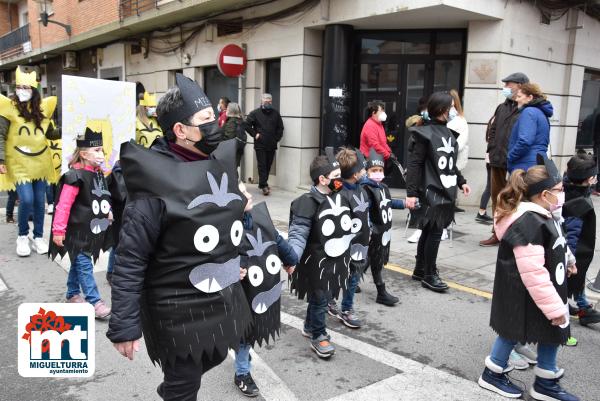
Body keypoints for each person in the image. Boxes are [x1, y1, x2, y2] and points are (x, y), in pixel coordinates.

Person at [107, 74, 252, 401]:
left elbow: (217, 227)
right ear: (180, 131)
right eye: (205, 120)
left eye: (215, 116)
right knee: (185, 382)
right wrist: (124, 326)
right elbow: (131, 257)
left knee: (215, 352)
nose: (215, 124)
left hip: (216, 295)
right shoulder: (153, 181)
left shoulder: (215, 164)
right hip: (174, 304)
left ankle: (173, 388)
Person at [477, 155, 580, 401]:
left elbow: (557, 243)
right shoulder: (529, 223)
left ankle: (545, 380)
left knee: (549, 331)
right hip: (527, 293)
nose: (562, 194)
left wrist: (569, 261)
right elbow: (533, 271)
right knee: (513, 331)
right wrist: (554, 307)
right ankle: (492, 374)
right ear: (544, 194)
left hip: (544, 290)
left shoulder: (545, 215)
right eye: (559, 190)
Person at [288, 150, 353, 358]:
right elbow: (297, 233)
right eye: (335, 177)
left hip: (335, 260)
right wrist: (292, 257)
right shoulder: (306, 202)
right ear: (322, 179)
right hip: (316, 263)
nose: (339, 181)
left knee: (321, 297)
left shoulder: (339, 197)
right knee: (321, 299)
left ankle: (309, 325)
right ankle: (318, 335)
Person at [234, 182, 297, 397]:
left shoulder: (260, 217)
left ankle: (241, 354)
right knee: (245, 332)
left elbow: (278, 239)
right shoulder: (225, 228)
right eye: (242, 192)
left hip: (261, 287)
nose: (248, 194)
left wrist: (290, 259)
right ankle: (242, 373)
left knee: (249, 331)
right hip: (239, 292)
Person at [406, 92, 471, 292]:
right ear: (443, 110)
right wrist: (411, 193)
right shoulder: (424, 133)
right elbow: (415, 164)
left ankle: (420, 269)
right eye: (451, 106)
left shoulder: (449, 134)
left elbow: (450, 164)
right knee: (434, 232)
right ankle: (429, 274)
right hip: (430, 190)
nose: (454, 110)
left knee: (428, 230)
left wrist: (461, 182)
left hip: (446, 189)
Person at [48, 125, 112, 319]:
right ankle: (95, 302)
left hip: (91, 230)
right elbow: (63, 205)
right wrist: (58, 231)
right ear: (83, 154)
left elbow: (101, 197)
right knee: (85, 265)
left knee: (79, 262)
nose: (101, 154)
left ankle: (72, 293)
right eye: (96, 150)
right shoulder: (73, 177)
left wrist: (107, 212)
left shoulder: (98, 173)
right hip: (77, 231)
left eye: (101, 149)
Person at [0, 67, 59, 256]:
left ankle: (39, 236)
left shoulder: (43, 110)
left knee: (40, 201)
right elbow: (0, 135)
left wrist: (70, 129)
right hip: (18, 162)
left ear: (34, 90)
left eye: (26, 87)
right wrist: (0, 159)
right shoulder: (8, 109)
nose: (22, 90)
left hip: (40, 162)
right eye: (19, 86)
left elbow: (51, 134)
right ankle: (23, 235)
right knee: (26, 199)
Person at [480, 72, 530, 247]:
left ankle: (514, 234)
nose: (506, 87)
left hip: (517, 163)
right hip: (497, 160)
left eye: (509, 84)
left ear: (521, 86)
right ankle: (497, 232)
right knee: (497, 197)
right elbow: (492, 129)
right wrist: (492, 147)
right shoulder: (502, 107)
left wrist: (513, 154)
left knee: (517, 199)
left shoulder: (528, 109)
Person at [327, 147, 370, 326]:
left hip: (360, 244)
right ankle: (344, 308)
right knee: (341, 276)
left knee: (353, 277)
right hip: (345, 246)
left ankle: (344, 305)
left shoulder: (362, 188)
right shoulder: (340, 193)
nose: (365, 171)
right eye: (362, 169)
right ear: (354, 174)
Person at [361, 148, 406, 305]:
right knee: (376, 262)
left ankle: (351, 280)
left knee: (368, 258)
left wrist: (405, 203)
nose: (378, 173)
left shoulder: (383, 187)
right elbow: (365, 210)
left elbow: (389, 202)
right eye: (374, 170)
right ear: (367, 172)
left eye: (380, 170)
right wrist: (368, 228)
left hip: (384, 232)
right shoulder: (366, 189)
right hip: (374, 233)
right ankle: (381, 291)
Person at [563, 152, 600, 329]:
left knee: (578, 280)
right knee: (572, 279)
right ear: (590, 179)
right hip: (575, 253)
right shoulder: (578, 202)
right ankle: (575, 311)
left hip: (577, 252)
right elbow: (572, 233)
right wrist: (570, 261)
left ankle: (582, 305)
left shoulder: (569, 188)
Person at [507, 83, 552, 173]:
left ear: (530, 97)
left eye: (519, 96)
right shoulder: (540, 113)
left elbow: (525, 141)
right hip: (536, 162)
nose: (516, 99)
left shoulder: (529, 112)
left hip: (525, 165)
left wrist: (510, 157)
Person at [246, 94, 284, 196]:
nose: (267, 102)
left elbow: (280, 128)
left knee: (268, 164)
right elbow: (246, 124)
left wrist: (276, 138)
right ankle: (264, 185)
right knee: (262, 164)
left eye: (269, 101)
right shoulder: (255, 113)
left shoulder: (276, 114)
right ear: (261, 101)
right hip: (260, 144)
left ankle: (263, 183)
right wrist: (255, 134)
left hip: (271, 144)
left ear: (271, 102)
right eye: (265, 101)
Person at [405, 97, 428, 244]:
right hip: (420, 172)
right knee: (420, 201)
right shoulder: (418, 133)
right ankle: (419, 227)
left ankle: (422, 227)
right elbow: (414, 160)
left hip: (428, 174)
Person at [222, 102, 250, 168]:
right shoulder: (240, 120)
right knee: (234, 168)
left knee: (230, 170)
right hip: (239, 148)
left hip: (230, 150)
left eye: (228, 108)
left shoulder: (231, 122)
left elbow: (229, 137)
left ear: (231, 110)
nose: (226, 110)